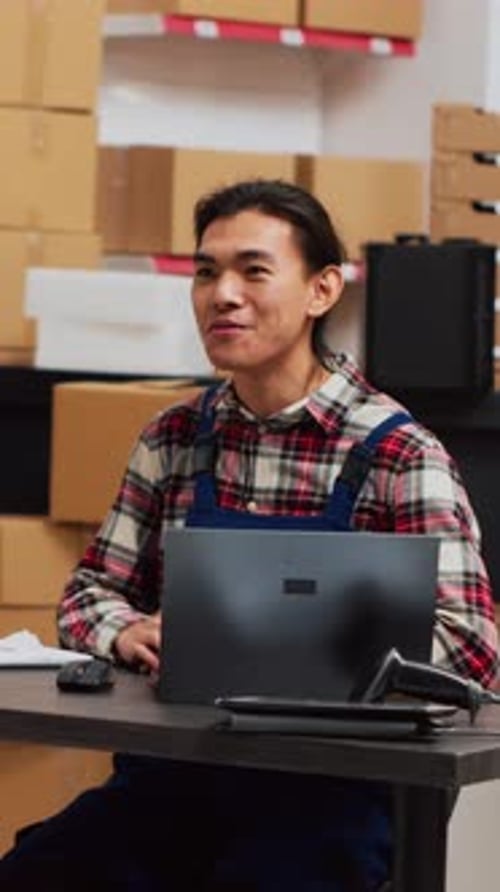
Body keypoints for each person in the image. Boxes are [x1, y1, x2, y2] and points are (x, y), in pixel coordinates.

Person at [1, 179, 497, 891]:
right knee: (40, 874)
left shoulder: (399, 453)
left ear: (322, 290)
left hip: (334, 795)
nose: (222, 294)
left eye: (253, 271)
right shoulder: (173, 438)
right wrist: (124, 631)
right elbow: (89, 593)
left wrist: (300, 641)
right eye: (206, 272)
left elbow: (474, 649)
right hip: (177, 778)